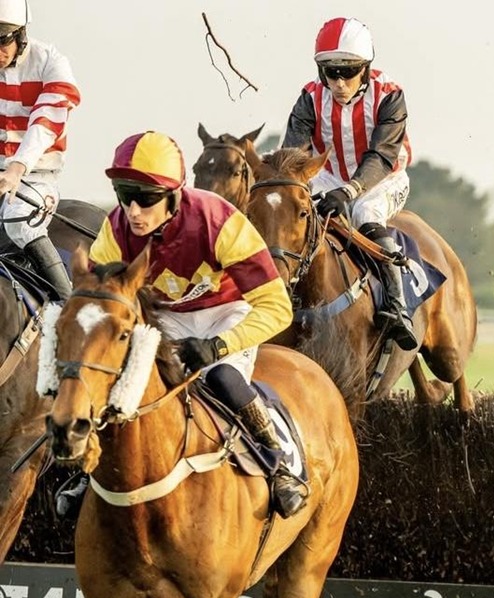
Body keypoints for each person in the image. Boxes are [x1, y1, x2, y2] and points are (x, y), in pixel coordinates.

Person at [55, 131, 308, 520]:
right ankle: (92, 472)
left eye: (147, 199)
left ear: (174, 195)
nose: (134, 210)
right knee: (124, 381)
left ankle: (278, 464)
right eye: (125, 195)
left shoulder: (219, 221)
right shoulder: (116, 229)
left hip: (228, 311)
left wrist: (218, 346)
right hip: (166, 314)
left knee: (222, 377)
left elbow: (276, 307)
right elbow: (103, 302)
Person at [280, 16, 418, 351]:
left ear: (366, 68)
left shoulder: (390, 96)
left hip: (383, 177)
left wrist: (350, 190)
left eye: (348, 71)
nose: (339, 82)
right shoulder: (309, 98)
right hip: (329, 176)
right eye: (331, 72)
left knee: (364, 213)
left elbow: (383, 156)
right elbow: (294, 156)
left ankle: (397, 305)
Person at [0, 0, 80, 301]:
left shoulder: (51, 62)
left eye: (2, 40)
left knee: (19, 220)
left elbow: (46, 120)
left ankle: (65, 305)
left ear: (21, 34)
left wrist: (17, 168)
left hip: (36, 179)